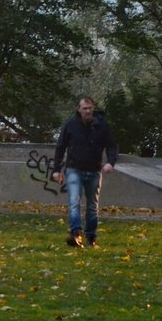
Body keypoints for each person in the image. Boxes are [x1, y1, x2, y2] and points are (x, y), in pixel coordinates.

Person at [52, 96, 118, 248]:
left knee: (92, 206)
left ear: (93, 108)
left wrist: (110, 162)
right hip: (74, 168)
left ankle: (91, 237)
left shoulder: (101, 126)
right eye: (84, 109)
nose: (88, 111)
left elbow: (112, 146)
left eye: (90, 108)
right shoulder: (71, 125)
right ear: (79, 110)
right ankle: (76, 233)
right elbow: (60, 147)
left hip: (94, 170)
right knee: (74, 200)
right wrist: (56, 170)